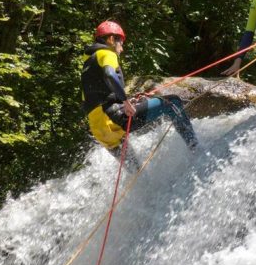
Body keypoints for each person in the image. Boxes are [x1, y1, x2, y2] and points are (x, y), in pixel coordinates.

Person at [81, 21, 199, 164]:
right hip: (114, 119)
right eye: (121, 43)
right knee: (172, 102)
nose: (122, 49)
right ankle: (196, 150)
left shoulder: (87, 62)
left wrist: (124, 102)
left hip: (99, 130)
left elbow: (97, 97)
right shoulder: (106, 53)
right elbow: (110, 75)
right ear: (111, 39)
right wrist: (125, 102)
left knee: (136, 172)